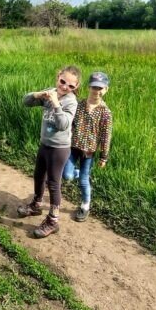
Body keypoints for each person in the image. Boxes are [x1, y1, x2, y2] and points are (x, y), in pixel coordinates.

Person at [17, 66, 81, 238]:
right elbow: (26, 102)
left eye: (71, 86)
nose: (65, 87)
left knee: (53, 183)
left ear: (75, 87)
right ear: (58, 76)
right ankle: (36, 205)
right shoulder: (51, 92)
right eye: (63, 81)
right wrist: (38, 94)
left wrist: (56, 104)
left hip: (59, 148)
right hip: (45, 144)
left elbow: (63, 124)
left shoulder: (71, 101)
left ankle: (53, 220)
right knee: (39, 176)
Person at [62, 72, 113, 222]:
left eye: (100, 88)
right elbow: (69, 123)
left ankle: (85, 206)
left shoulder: (105, 113)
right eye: (94, 87)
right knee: (67, 176)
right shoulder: (78, 105)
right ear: (88, 87)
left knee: (84, 181)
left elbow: (106, 136)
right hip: (72, 147)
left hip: (88, 152)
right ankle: (76, 172)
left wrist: (104, 157)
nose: (96, 91)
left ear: (106, 90)